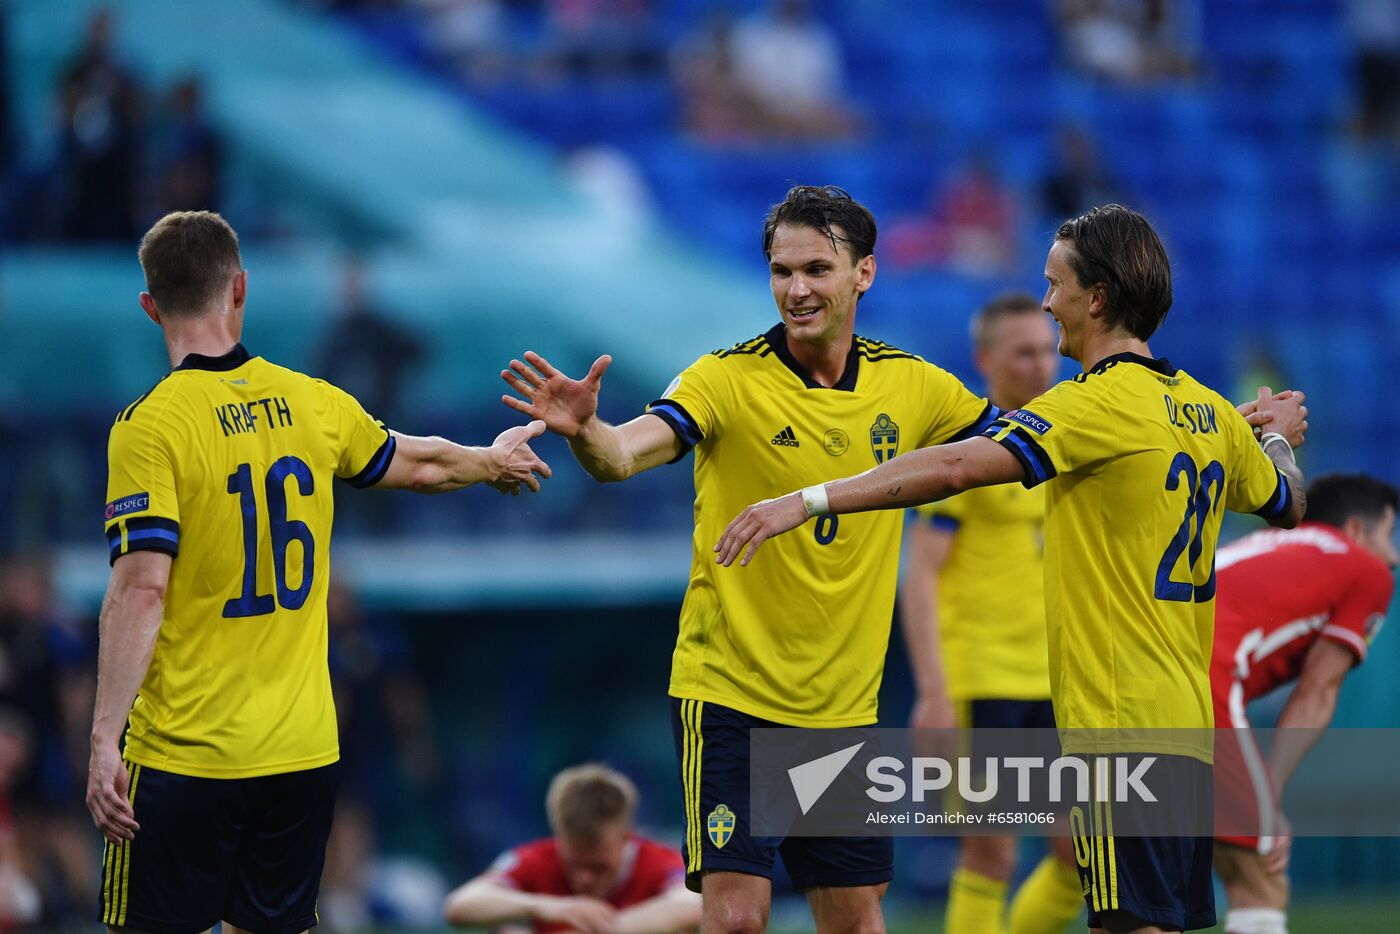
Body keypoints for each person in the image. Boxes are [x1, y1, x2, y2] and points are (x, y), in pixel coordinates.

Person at [715, 203, 1309, 934]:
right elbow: (1285, 502)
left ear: (1096, 297)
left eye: (1056, 285)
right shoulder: (1211, 411)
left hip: (1115, 723)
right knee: (1144, 916)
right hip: (1185, 721)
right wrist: (1278, 439)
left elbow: (961, 464)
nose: (1049, 302)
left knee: (1126, 920)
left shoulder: (1092, 405)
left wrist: (808, 499)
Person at [500, 185, 1000, 934]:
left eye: (816, 270)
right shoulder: (725, 380)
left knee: (858, 922)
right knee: (736, 918)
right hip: (733, 693)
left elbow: (1019, 451)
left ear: (864, 272)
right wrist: (587, 432)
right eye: (781, 271)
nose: (796, 290)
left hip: (843, 709)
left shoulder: (914, 384)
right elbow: (624, 454)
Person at [87, 210, 551, 934]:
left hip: (188, 750)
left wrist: (101, 740)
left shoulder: (150, 426)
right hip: (300, 752)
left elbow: (142, 586)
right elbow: (417, 461)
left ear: (150, 306)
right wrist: (489, 461)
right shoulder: (312, 401)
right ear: (240, 289)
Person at [898, 293, 1082, 934]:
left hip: (1057, 683)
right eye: (1022, 352)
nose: (1039, 365)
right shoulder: (967, 448)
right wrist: (935, 692)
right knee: (992, 851)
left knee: (1080, 855)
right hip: (985, 676)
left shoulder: (1068, 438)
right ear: (985, 360)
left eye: (1046, 349)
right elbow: (920, 572)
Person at [1210, 473, 1397, 934]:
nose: (1393, 557)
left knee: (1141, 902)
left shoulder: (1263, 546)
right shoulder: (1366, 570)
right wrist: (1267, 796)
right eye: (1389, 535)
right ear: (1355, 530)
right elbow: (1319, 689)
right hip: (1200, 685)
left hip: (1120, 680)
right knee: (1262, 877)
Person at [443, 763, 700, 934]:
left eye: (597, 867)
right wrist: (544, 906)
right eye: (573, 863)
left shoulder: (657, 861)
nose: (583, 878)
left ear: (626, 838)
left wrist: (603, 929)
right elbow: (461, 905)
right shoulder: (538, 858)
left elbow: (693, 905)